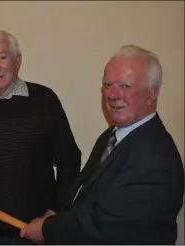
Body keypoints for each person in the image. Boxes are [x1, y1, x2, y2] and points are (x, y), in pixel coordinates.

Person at [20, 45, 185, 244]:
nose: (112, 95)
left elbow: (105, 225)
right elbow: (81, 193)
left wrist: (46, 229)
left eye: (125, 86)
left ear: (152, 94)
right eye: (107, 84)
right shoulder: (112, 135)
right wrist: (53, 214)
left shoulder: (156, 159)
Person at [0, 29, 81, 245]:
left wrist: (52, 214)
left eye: (3, 57)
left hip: (35, 231)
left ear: (18, 61)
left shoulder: (44, 100)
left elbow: (70, 160)